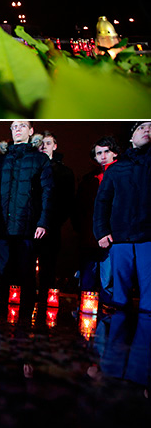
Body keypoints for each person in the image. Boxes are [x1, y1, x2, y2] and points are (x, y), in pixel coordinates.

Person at [0, 121, 53, 308]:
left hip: (27, 227)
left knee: (26, 275)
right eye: (14, 126)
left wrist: (43, 222)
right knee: (2, 274)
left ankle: (24, 327)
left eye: (22, 125)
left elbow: (47, 192)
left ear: (30, 131)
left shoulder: (40, 160)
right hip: (2, 226)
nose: (17, 129)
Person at [93, 122, 151, 312]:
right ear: (131, 136)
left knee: (149, 299)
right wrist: (101, 231)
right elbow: (102, 202)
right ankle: (117, 339)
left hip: (148, 238)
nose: (147, 130)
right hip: (120, 238)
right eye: (141, 127)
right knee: (120, 298)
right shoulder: (116, 169)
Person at [72, 135, 120, 303]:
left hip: (111, 237)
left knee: (108, 281)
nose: (103, 156)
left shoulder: (120, 174)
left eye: (107, 151)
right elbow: (80, 207)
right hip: (88, 237)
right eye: (99, 153)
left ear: (114, 153)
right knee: (87, 282)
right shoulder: (89, 179)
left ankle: (108, 318)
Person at [36, 130, 75, 300]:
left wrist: (54, 221)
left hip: (51, 225)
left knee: (48, 265)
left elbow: (67, 200)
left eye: (48, 143)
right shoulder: (31, 167)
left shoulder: (64, 172)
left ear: (55, 146)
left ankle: (45, 300)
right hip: (28, 224)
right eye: (41, 143)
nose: (44, 146)